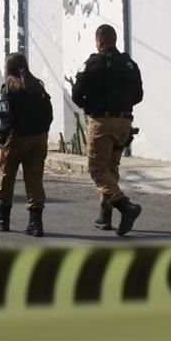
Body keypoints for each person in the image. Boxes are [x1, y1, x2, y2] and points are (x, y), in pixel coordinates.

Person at [71, 24, 144, 236]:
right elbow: (139, 95)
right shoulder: (130, 64)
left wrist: (91, 107)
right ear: (115, 39)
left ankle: (125, 206)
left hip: (101, 122)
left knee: (97, 170)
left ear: (99, 41)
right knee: (110, 168)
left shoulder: (92, 64)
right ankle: (105, 216)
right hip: (124, 123)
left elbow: (76, 94)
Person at [0, 53, 54, 237]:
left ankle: (3, 219)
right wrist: (41, 131)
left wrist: (2, 142)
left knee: (6, 176)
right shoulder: (38, 86)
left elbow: (6, 118)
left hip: (17, 138)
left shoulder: (9, 88)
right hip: (39, 138)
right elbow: (49, 114)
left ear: (8, 68)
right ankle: (35, 223)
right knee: (34, 178)